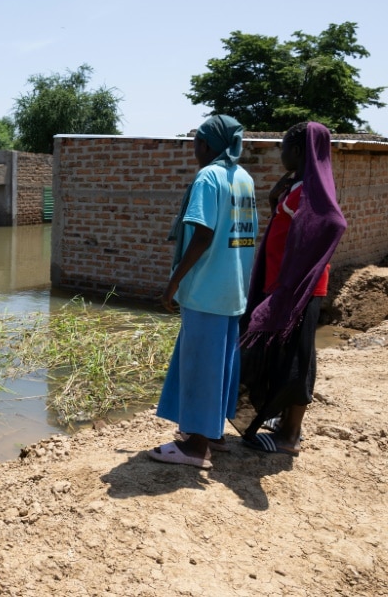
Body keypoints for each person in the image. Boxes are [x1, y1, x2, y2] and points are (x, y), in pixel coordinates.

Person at [149, 114, 257, 469]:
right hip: (233, 288)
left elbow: (204, 234)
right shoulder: (243, 178)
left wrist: (174, 281)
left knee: (199, 366)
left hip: (207, 289)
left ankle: (195, 449)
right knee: (221, 364)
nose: (194, 148)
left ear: (208, 145)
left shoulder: (209, 177)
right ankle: (212, 433)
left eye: (197, 141)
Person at [232, 122, 347, 455]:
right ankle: (282, 422)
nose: (279, 152)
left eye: (283, 146)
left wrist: (296, 271)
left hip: (300, 290)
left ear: (298, 151)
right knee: (283, 355)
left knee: (297, 360)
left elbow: (332, 222)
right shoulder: (299, 185)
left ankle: (290, 436)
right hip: (284, 285)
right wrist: (274, 201)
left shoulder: (312, 190)